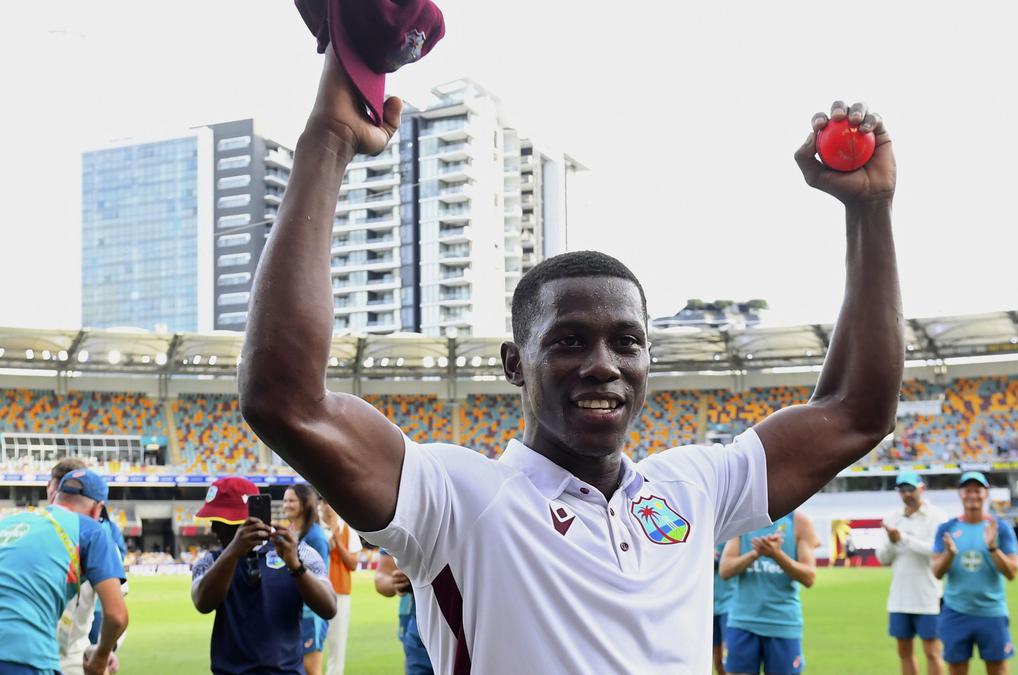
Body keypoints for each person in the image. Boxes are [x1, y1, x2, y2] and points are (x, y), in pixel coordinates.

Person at [238, 30, 902, 671]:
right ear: (512, 364)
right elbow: (285, 400)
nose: (602, 364)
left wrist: (869, 214)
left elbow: (856, 411)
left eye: (626, 342)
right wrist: (327, 142)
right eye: (567, 340)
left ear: (649, 362)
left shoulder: (693, 488)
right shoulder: (460, 500)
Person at [190, 477, 337, 675]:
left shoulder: (298, 552)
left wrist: (295, 566)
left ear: (247, 520)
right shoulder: (211, 561)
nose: (213, 529)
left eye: (220, 521)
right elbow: (203, 602)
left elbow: (329, 607)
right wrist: (233, 553)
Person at [0, 468, 127, 675]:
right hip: (26, 656)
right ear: (97, 510)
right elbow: (116, 615)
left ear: (55, 497)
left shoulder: (11, 522)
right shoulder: (91, 530)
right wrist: (100, 657)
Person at [46, 458, 130, 675]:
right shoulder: (99, 534)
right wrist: (103, 653)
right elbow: (118, 612)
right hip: (72, 655)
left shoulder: (22, 526)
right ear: (97, 508)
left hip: (27, 648)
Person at [931, 472, 1018, 675]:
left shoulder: (1000, 528)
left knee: (998, 669)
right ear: (960, 494)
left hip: (992, 612)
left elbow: (1012, 573)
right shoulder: (947, 528)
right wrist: (950, 555)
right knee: (956, 668)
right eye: (967, 490)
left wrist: (993, 548)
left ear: (985, 493)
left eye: (977, 490)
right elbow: (936, 572)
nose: (972, 495)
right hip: (956, 612)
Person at [719, 512, 818, 675]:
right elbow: (725, 569)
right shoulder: (741, 518)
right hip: (743, 622)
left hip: (783, 624)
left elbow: (809, 577)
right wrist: (756, 553)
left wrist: (777, 555)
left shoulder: (799, 521)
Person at [878, 470, 947, 675]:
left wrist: (903, 539)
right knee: (904, 652)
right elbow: (883, 558)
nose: (907, 494)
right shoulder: (892, 518)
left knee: (932, 651)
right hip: (899, 598)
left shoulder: (937, 517)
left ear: (922, 489)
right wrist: (892, 542)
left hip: (928, 596)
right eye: (902, 490)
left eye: (911, 489)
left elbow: (936, 551)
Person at [283, 484, 330, 675]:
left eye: (291, 500)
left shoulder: (315, 536)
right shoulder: (290, 532)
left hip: (311, 611)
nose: (286, 505)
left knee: (311, 669)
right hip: (294, 608)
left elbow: (320, 577)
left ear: (304, 504)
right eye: (285, 500)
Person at [320, 501, 362, 675]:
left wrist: (338, 541)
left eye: (331, 502)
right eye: (324, 502)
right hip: (314, 591)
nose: (328, 506)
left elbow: (353, 564)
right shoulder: (313, 527)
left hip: (340, 592)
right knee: (310, 643)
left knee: (337, 645)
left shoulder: (348, 529)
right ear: (320, 505)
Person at [374, 551, 433, 675]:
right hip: (419, 628)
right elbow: (381, 576)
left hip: (464, 624)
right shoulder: (404, 531)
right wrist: (397, 582)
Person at [713, 542, 734, 675]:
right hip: (709, 607)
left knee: (730, 661)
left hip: (729, 605)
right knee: (718, 661)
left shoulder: (733, 537)